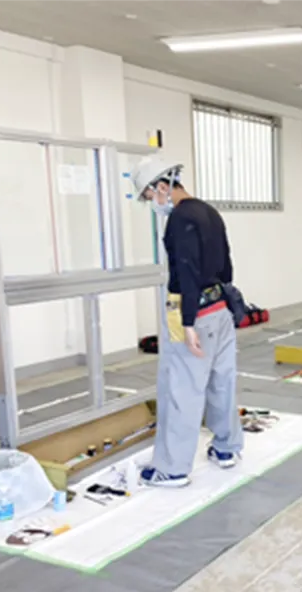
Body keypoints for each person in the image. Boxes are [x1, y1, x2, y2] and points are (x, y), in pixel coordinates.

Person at [130, 157, 243, 488]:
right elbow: (226, 266)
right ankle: (226, 448)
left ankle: (172, 468)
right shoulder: (210, 212)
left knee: (182, 388)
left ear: (161, 186)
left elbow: (187, 271)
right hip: (220, 309)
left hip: (194, 314)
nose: (154, 203)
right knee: (222, 382)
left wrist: (189, 322)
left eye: (150, 196)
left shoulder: (179, 220)